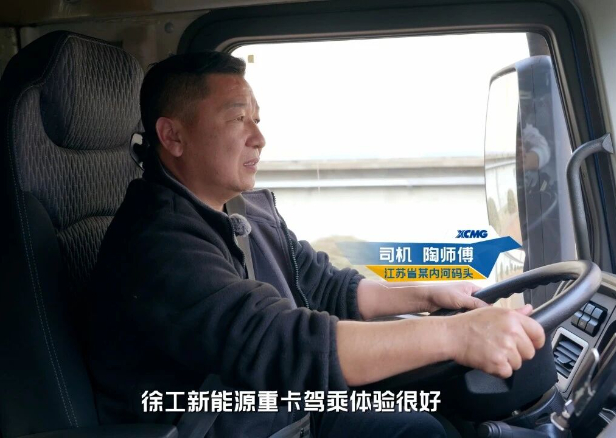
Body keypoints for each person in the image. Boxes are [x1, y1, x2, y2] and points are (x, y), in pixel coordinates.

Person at [86, 51, 546, 438]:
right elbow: (279, 343)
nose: (259, 138)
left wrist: (427, 295)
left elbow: (323, 286)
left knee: (425, 424)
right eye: (238, 119)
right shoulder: (158, 242)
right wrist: (455, 335)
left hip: (283, 411)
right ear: (173, 136)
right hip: (228, 425)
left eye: (257, 119)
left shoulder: (246, 210)